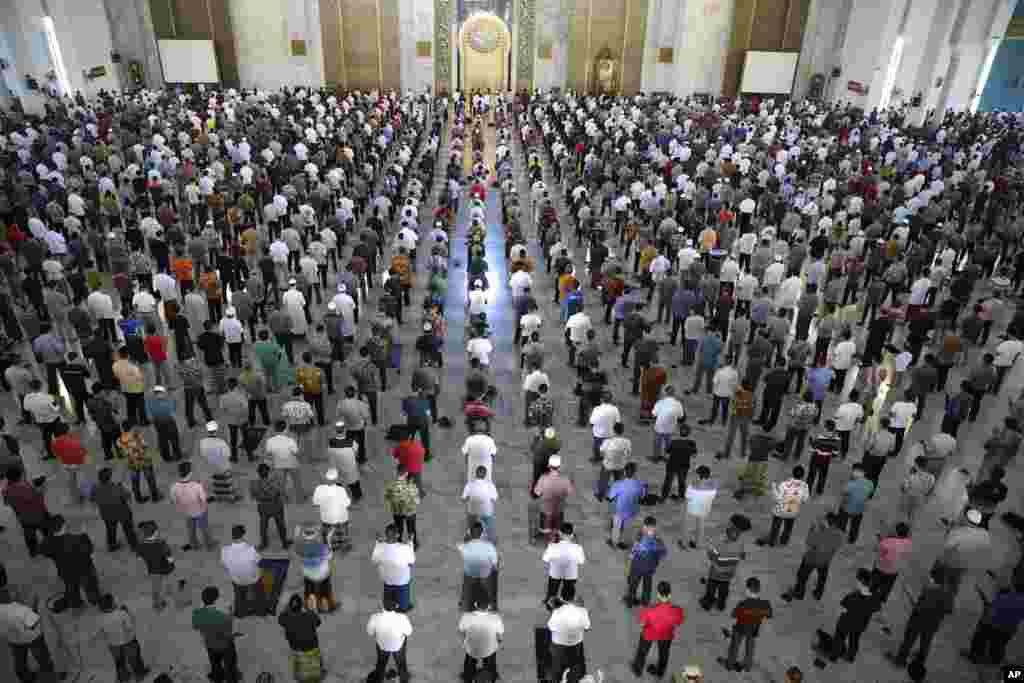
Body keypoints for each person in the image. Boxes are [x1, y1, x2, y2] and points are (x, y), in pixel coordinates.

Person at [885, 568, 953, 671]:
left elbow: (918, 607)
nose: (928, 579)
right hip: (933, 623)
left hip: (918, 620)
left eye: (930, 578)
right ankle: (919, 663)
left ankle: (900, 660)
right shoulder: (948, 593)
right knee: (925, 643)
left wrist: (909, 595)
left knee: (908, 640)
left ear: (935, 580)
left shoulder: (929, 590)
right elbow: (949, 610)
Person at [39, 513, 102, 609]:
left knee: (71, 587)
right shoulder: (76, 539)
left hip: (65, 571)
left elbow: (45, 552)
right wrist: (84, 534)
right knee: (90, 586)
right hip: (84, 570)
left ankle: (76, 603)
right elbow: (89, 549)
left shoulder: (47, 542)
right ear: (63, 526)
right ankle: (94, 600)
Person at [782, 513, 846, 602]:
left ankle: (799, 594)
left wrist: (812, 529)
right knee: (822, 578)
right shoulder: (839, 535)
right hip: (825, 560)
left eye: (825, 519)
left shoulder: (819, 532)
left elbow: (808, 542)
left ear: (827, 522)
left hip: (811, 559)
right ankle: (818, 594)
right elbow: (837, 546)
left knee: (802, 576)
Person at [0, 587, 57, 683]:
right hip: (32, 638)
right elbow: (33, 623)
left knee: (20, 662)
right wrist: (34, 606)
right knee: (43, 658)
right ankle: (50, 678)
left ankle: (26, 678)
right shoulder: (20, 610)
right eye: (12, 592)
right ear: (9, 597)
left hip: (13, 640)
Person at [631, 580, 684, 678]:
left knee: (642, 651)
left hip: (649, 634)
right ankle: (660, 672)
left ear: (658, 595)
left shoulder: (649, 610)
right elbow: (678, 622)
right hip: (666, 635)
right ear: (670, 595)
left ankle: (637, 669)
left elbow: (642, 623)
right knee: (664, 653)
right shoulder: (677, 610)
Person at [719, 577, 772, 673]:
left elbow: (733, 615)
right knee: (750, 647)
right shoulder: (765, 604)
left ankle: (730, 664)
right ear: (759, 590)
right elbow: (768, 615)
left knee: (734, 646)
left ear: (747, 590)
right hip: (754, 629)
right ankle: (747, 666)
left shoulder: (742, 604)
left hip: (740, 628)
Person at [700, 514, 750, 611]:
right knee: (724, 589)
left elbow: (711, 553)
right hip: (729, 571)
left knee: (711, 587)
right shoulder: (741, 541)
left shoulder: (720, 539)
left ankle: (707, 603)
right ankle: (721, 605)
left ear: (732, 525)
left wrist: (711, 554)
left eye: (730, 523)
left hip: (716, 571)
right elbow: (742, 554)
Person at [827, 568, 879, 662]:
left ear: (861, 582)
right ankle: (851, 656)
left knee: (839, 638)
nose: (855, 582)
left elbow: (843, 607)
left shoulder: (852, 597)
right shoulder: (874, 597)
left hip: (845, 623)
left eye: (857, 580)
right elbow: (876, 608)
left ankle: (834, 655)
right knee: (854, 639)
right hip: (860, 625)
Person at [95, 594, 150, 682]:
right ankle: (139, 675)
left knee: (119, 662)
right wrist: (128, 612)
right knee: (135, 659)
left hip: (113, 645)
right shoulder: (122, 614)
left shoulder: (100, 618)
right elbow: (130, 626)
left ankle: (124, 678)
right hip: (128, 642)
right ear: (113, 604)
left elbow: (100, 632)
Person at [192, 586, 241, 683]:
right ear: (216, 600)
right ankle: (231, 678)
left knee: (215, 663)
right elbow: (229, 629)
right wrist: (230, 612)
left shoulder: (197, 613)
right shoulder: (223, 615)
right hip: (225, 645)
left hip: (210, 644)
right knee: (230, 664)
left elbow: (195, 626)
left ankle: (217, 677)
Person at [169, 461, 216, 551]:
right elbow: (204, 500)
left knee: (190, 529)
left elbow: (174, 500)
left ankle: (194, 545)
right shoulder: (197, 486)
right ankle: (209, 544)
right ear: (190, 473)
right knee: (204, 528)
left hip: (187, 512)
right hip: (200, 511)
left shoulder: (174, 487)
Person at [759, 466, 810, 547]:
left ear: (792, 473)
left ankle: (772, 541)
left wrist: (773, 488)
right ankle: (784, 541)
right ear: (803, 476)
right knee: (788, 528)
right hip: (792, 511)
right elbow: (805, 499)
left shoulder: (784, 484)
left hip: (781, 510)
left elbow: (777, 498)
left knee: (776, 526)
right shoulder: (805, 486)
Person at [277, 594, 324, 682]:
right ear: (301, 605)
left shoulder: (286, 617)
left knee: (297, 659)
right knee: (315, 656)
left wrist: (287, 610)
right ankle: (317, 671)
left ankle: (300, 674)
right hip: (312, 647)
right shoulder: (309, 615)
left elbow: (280, 620)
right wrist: (309, 611)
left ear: (290, 606)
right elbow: (318, 621)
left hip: (297, 648)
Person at [220, 525, 264, 618]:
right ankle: (260, 611)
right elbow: (259, 561)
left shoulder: (224, 551)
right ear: (243, 536)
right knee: (258, 594)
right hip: (253, 579)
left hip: (237, 580)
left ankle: (240, 613)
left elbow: (224, 565)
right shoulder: (251, 550)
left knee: (239, 596)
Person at [366, 597, 412, 683]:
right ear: (396, 606)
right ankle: (404, 678)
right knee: (401, 663)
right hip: (398, 646)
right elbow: (409, 632)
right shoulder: (402, 618)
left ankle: (378, 679)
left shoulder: (375, 617)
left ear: (382, 606)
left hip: (382, 646)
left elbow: (370, 632)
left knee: (381, 663)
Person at [372, 524, 416, 612]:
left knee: (388, 600)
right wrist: (410, 541)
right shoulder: (405, 548)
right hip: (402, 582)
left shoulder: (380, 547)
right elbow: (411, 562)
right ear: (398, 535)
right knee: (404, 602)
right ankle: (403, 606)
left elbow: (374, 561)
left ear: (386, 535)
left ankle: (388, 606)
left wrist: (378, 542)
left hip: (387, 581)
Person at [92, 466, 138, 551]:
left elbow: (92, 498)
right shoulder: (117, 487)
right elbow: (127, 496)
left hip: (106, 514)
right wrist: (123, 487)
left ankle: (112, 545)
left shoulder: (95, 488)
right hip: (122, 512)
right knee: (128, 530)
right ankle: (134, 546)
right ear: (109, 479)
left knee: (110, 530)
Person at [625, 516, 667, 607]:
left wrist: (629, 566)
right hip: (650, 569)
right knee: (647, 585)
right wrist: (656, 559)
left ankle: (630, 601)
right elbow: (664, 553)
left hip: (637, 567)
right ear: (655, 527)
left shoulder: (639, 537)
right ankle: (645, 602)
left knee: (633, 584)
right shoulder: (658, 540)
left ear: (644, 526)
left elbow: (632, 553)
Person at [294, 522, 336, 613]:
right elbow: (330, 556)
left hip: (308, 574)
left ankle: (310, 607)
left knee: (309, 590)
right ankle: (327, 606)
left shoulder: (300, 546)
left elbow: (296, 548)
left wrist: (297, 533)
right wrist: (329, 539)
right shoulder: (321, 547)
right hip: (322, 574)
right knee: (325, 590)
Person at [458, 600, 504, 683]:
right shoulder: (495, 617)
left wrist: (465, 642)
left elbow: (462, 632)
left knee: (469, 659)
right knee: (491, 656)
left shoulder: (467, 616)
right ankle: (491, 675)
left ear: (476, 606)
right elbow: (500, 637)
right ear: (488, 607)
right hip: (489, 650)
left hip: (471, 649)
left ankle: (467, 675)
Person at [547, 596, 590, 683]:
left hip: (558, 646)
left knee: (557, 666)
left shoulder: (556, 614)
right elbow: (587, 627)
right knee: (575, 665)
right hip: (576, 645)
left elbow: (551, 627)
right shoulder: (582, 611)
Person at [459, 521, 499, 611]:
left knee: (466, 570)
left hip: (470, 576)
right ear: (482, 533)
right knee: (494, 569)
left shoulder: (464, 546)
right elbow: (495, 564)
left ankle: (464, 600)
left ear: (470, 533)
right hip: (485, 575)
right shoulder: (489, 546)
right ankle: (492, 603)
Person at [533, 456, 576, 540]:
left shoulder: (543, 478)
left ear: (549, 466)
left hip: (546, 507)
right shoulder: (565, 479)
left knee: (544, 522)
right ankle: (558, 535)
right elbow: (570, 492)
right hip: (559, 507)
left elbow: (537, 492)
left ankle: (543, 534)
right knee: (558, 522)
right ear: (560, 467)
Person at [136, 520, 175, 610]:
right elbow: (168, 555)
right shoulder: (161, 543)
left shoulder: (141, 545)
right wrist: (172, 563)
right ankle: (166, 594)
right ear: (155, 533)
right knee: (165, 581)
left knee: (156, 587)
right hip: (165, 567)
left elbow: (139, 557)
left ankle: (157, 603)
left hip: (152, 569)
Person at [542, 522, 586, 602]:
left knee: (552, 591)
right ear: (572, 535)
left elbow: (545, 559)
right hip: (571, 576)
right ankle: (567, 604)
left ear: (559, 533)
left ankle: (550, 604)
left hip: (555, 574)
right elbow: (581, 561)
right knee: (568, 594)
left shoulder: (552, 546)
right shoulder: (578, 548)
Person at [250, 463, 290, 551]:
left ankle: (263, 544)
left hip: (263, 507)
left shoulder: (254, 483)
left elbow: (253, 496)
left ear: (258, 473)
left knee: (263, 526)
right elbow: (278, 492)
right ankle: (284, 543)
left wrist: (262, 496)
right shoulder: (275, 481)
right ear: (268, 472)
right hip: (276, 506)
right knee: (281, 525)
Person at [312, 468, 352, 553]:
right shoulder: (341, 490)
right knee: (343, 531)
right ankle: (343, 545)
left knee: (326, 532)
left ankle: (328, 547)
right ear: (336, 479)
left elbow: (315, 502)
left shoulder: (319, 489)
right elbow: (347, 503)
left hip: (326, 518)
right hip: (341, 518)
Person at [384, 463, 421, 548]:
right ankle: (413, 545)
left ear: (397, 472)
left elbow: (387, 498)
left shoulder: (390, 485)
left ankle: (398, 543)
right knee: (411, 530)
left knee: (398, 529)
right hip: (409, 512)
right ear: (406, 473)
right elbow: (417, 501)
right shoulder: (411, 486)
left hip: (397, 512)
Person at [681, 466, 718, 549]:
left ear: (699, 475)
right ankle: (698, 543)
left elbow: (687, 497)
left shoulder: (693, 485)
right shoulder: (713, 486)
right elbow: (712, 497)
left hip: (692, 509)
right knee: (701, 526)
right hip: (704, 509)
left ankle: (684, 543)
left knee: (687, 526)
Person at [837, 464, 875, 544]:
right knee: (855, 525)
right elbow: (869, 495)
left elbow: (844, 493)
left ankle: (839, 536)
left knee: (842, 523)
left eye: (854, 471)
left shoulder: (851, 484)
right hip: (860, 509)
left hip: (847, 508)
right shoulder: (870, 483)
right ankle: (852, 539)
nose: (852, 473)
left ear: (860, 472)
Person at [463, 465, 499, 543]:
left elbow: (464, 498)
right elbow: (495, 499)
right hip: (486, 512)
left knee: (470, 522)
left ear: (476, 474)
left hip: (473, 511)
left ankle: (468, 536)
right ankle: (492, 540)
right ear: (485, 475)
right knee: (490, 524)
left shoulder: (469, 484)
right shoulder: (490, 485)